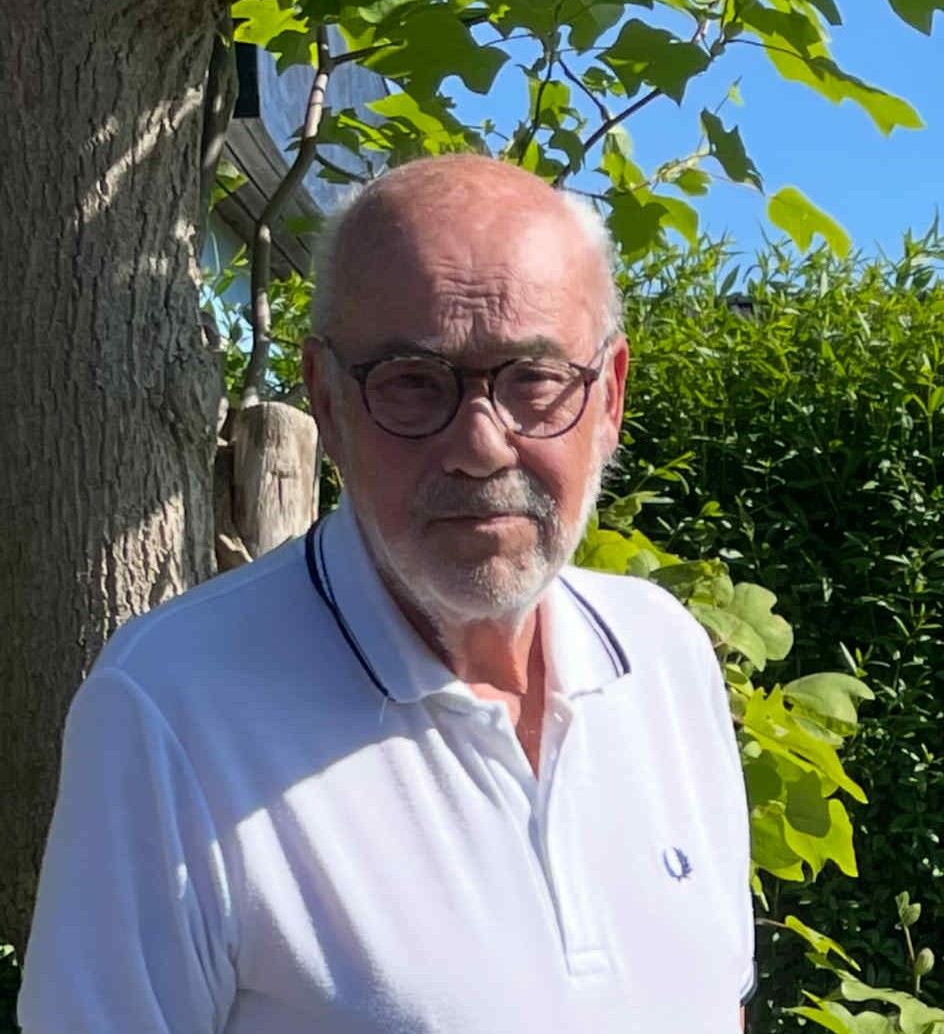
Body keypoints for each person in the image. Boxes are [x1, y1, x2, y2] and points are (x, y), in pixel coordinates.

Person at [19, 154, 755, 1032]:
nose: (481, 444)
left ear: (609, 399)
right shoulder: (170, 708)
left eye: (533, 379)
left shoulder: (665, 659)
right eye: (413, 380)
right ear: (327, 400)